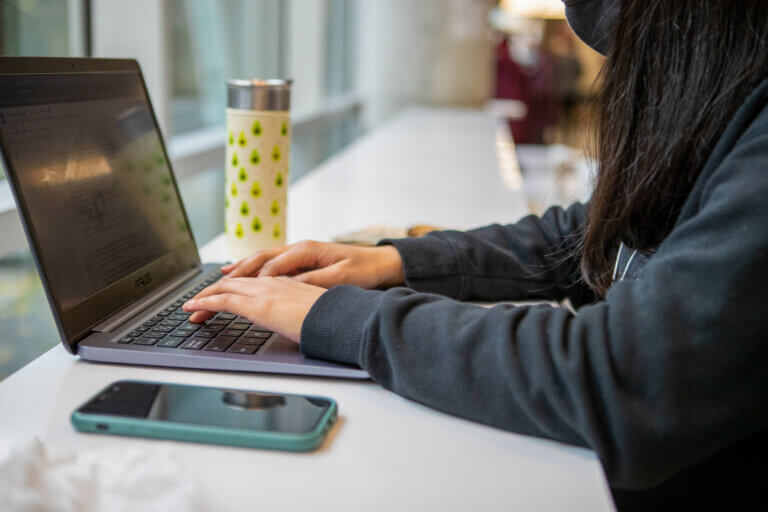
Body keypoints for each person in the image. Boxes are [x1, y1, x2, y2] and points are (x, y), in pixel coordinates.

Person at [183, 0, 768, 509]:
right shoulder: (728, 92)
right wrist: (397, 262)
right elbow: (591, 233)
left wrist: (336, 317)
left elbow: (623, 376)